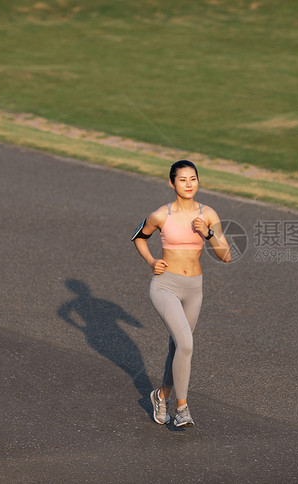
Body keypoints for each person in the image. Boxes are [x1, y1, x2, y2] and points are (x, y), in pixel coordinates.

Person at [132, 160, 231, 427]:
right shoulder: (161, 215)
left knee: (178, 347)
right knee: (186, 344)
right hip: (165, 285)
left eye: (193, 179)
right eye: (183, 179)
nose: (189, 184)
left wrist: (208, 233)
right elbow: (139, 237)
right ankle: (182, 408)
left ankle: (160, 395)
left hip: (194, 288)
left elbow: (226, 256)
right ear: (172, 183)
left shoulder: (208, 214)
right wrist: (152, 262)